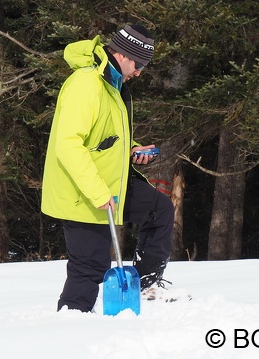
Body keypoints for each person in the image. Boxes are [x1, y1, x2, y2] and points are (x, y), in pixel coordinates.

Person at [41, 24, 174, 312]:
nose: (139, 72)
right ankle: (70, 322)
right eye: (139, 64)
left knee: (159, 209)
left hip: (111, 183)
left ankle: (148, 284)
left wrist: (132, 149)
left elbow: (102, 137)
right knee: (89, 266)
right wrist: (96, 191)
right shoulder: (87, 83)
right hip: (83, 190)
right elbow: (68, 144)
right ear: (124, 55)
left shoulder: (111, 83)